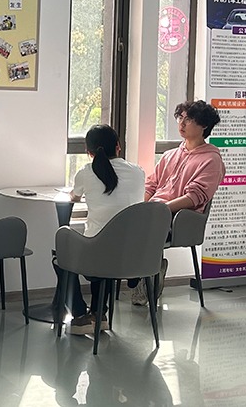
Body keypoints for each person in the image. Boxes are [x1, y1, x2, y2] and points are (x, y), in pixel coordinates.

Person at [133, 100, 225, 306]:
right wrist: (143, 207)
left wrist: (161, 208)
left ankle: (145, 274)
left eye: (189, 119)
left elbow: (195, 197)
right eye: (180, 118)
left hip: (181, 218)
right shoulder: (170, 155)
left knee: (144, 226)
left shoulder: (211, 159)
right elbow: (151, 185)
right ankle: (145, 273)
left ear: (203, 125)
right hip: (155, 211)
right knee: (124, 222)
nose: (182, 123)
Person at [55, 125, 145, 335]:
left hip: (99, 256)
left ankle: (81, 316)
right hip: (134, 257)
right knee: (105, 251)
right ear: (118, 146)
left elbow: (74, 196)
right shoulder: (138, 172)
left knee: (61, 258)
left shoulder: (86, 173)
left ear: (89, 152)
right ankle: (98, 314)